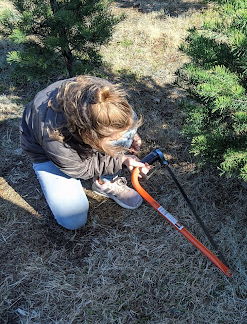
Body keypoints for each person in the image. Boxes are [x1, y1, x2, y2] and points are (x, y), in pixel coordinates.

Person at [20, 75, 150, 230]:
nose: (122, 141)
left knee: (121, 135)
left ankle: (107, 182)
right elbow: (83, 168)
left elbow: (124, 120)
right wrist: (121, 160)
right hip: (45, 150)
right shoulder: (54, 138)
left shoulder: (103, 94)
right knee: (73, 219)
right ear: (89, 137)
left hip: (88, 132)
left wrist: (130, 134)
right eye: (113, 140)